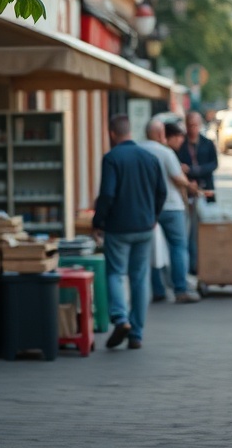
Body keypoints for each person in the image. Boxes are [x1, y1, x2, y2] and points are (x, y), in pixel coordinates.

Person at [92, 114, 166, 350]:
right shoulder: (149, 158)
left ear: (112, 134)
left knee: (115, 273)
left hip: (118, 228)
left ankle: (120, 318)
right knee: (139, 278)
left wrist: (98, 221)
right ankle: (136, 334)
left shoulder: (111, 158)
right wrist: (153, 216)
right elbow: (161, 192)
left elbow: (107, 194)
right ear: (130, 132)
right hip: (145, 227)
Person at [140, 120, 200, 304]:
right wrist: (191, 187)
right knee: (178, 247)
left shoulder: (139, 150)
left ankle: (158, 289)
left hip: (148, 207)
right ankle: (180, 289)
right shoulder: (165, 152)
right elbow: (177, 177)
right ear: (160, 134)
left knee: (152, 248)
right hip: (171, 206)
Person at [177, 111, 218, 274]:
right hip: (188, 192)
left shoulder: (207, 143)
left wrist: (195, 170)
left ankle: (207, 261)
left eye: (195, 125)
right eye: (190, 125)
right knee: (191, 231)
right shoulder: (182, 144)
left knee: (207, 227)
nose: (192, 128)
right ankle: (193, 265)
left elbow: (214, 164)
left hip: (205, 189)